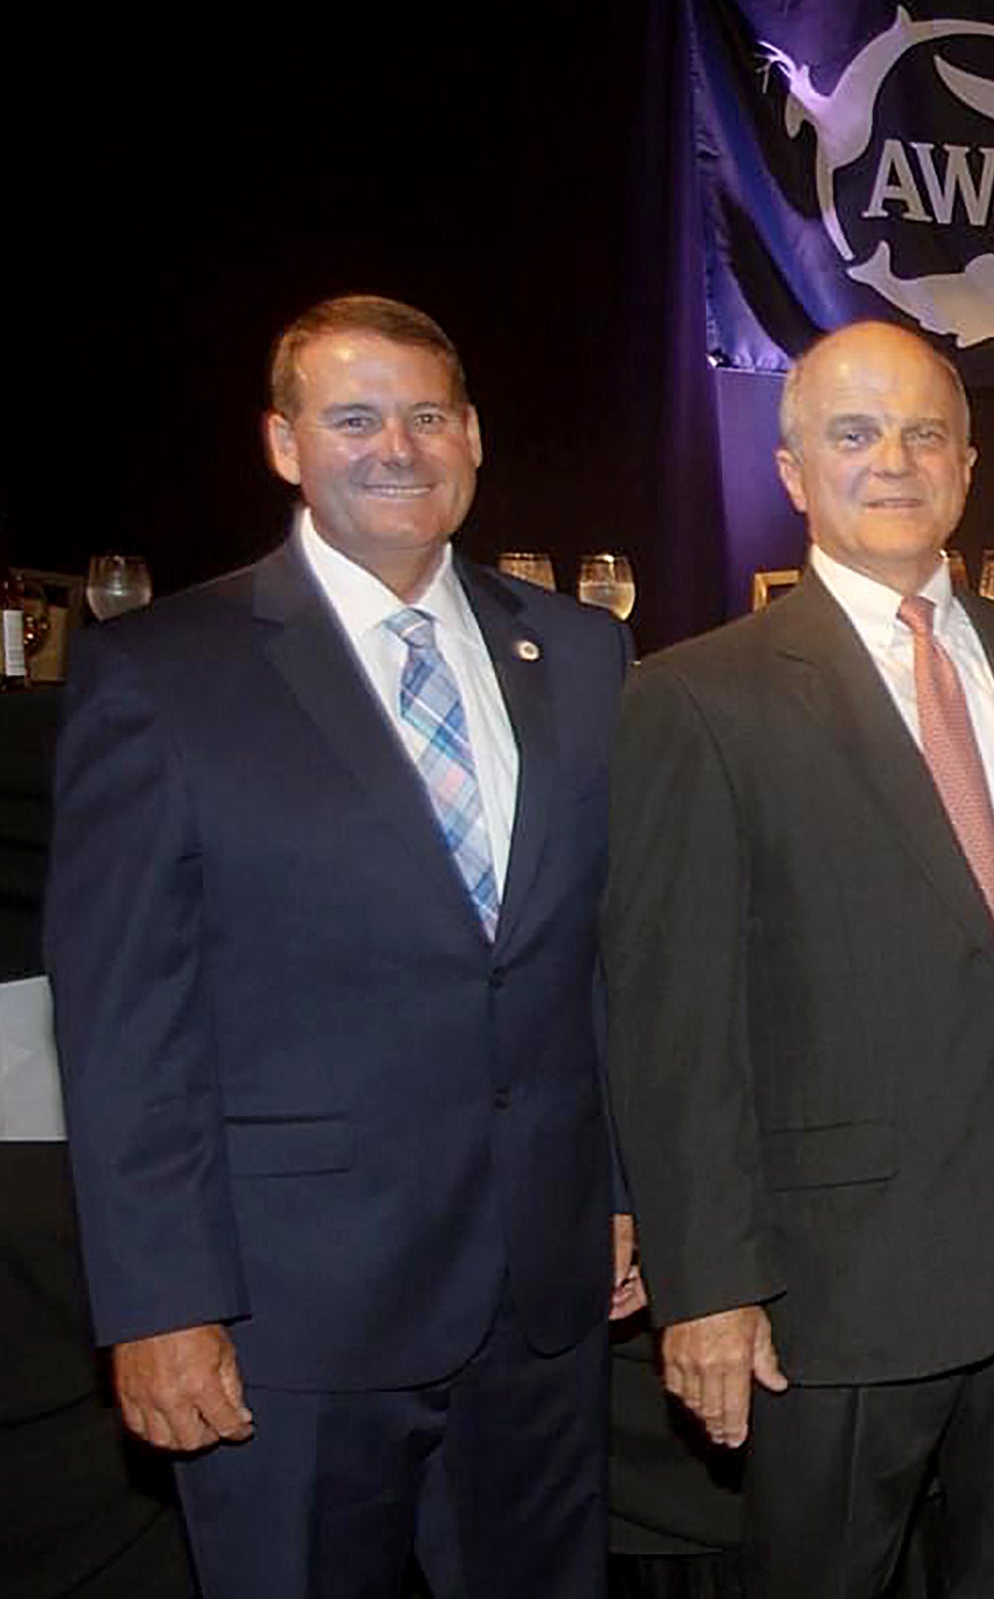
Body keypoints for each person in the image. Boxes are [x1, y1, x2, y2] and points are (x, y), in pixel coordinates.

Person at [46, 294, 638, 1597]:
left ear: (473, 438)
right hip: (287, 1319)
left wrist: (615, 1189)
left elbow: (591, 956)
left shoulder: (583, 656)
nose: (398, 447)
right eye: (354, 417)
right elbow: (124, 1022)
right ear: (282, 442)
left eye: (428, 415)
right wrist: (158, 1303)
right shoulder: (163, 672)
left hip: (538, 1305)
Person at [604, 319, 994, 1596]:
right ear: (793, 472)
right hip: (833, 1285)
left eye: (926, 433)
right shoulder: (699, 697)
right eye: (854, 434)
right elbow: (673, 1022)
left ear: (969, 466)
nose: (895, 461)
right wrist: (706, 1284)